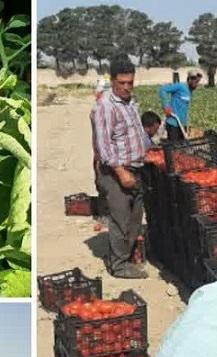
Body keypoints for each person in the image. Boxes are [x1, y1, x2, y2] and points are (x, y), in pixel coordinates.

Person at [91, 57, 152, 279]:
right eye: (121, 83)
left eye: (130, 83)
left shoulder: (130, 102)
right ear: (113, 81)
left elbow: (135, 134)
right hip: (115, 171)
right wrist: (120, 172)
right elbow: (103, 145)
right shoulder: (105, 107)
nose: (126, 87)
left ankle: (125, 254)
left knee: (136, 216)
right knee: (120, 218)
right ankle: (118, 265)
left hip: (135, 167)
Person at [158, 70, 202, 142]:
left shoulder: (190, 91)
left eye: (197, 82)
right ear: (189, 79)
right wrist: (166, 106)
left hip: (182, 124)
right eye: (195, 82)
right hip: (173, 123)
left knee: (181, 149)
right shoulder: (180, 86)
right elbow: (163, 90)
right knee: (174, 148)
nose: (196, 85)